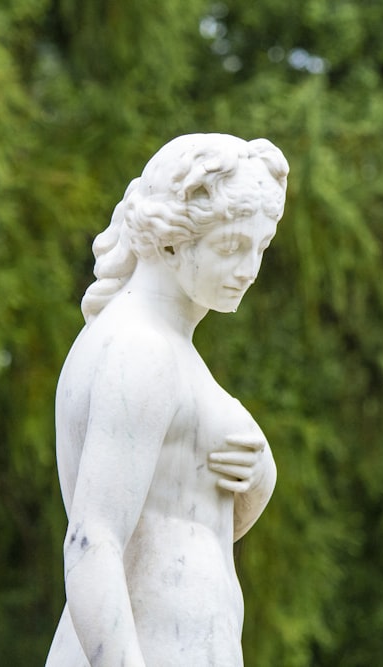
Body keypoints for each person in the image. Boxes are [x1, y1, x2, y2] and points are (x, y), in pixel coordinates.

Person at [45, 134, 288, 667]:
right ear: (173, 241)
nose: (249, 268)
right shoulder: (140, 350)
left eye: (260, 247)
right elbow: (94, 541)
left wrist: (258, 476)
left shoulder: (168, 349)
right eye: (231, 247)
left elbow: (184, 520)